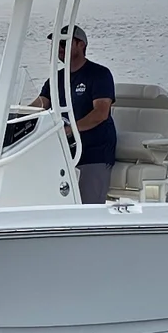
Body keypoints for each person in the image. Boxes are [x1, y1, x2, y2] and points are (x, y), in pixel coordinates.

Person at [35, 25, 116, 203]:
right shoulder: (55, 79)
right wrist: (12, 115)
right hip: (62, 154)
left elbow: (101, 112)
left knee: (88, 208)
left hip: (93, 153)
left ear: (81, 45)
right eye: (57, 44)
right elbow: (39, 105)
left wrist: (70, 129)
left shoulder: (99, 74)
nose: (60, 48)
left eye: (64, 43)